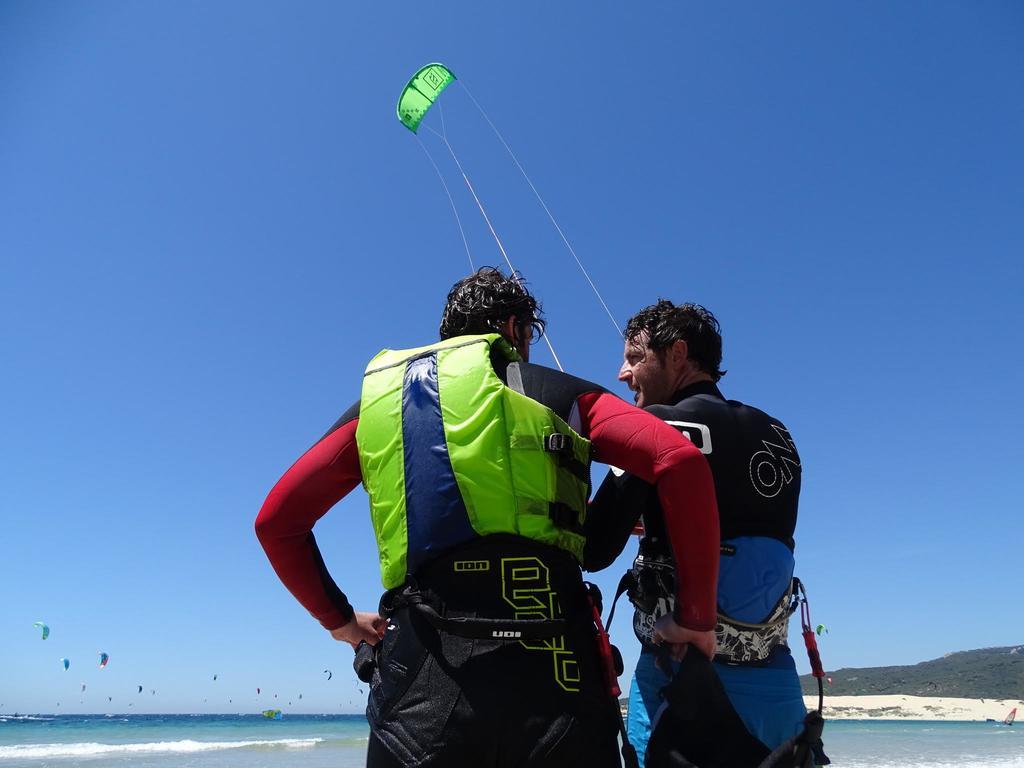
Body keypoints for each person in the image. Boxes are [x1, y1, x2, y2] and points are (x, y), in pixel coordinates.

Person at [255, 268, 721, 768]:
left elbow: (276, 523)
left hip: (422, 681)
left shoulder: (378, 407)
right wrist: (695, 618)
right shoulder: (565, 395)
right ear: (515, 329)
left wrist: (341, 621)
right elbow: (680, 460)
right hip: (559, 675)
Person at [585, 300, 825, 767]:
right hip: (773, 681)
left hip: (680, 679)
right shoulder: (779, 435)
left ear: (677, 354)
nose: (622, 373)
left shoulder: (654, 426)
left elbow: (595, 546)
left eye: (635, 358)